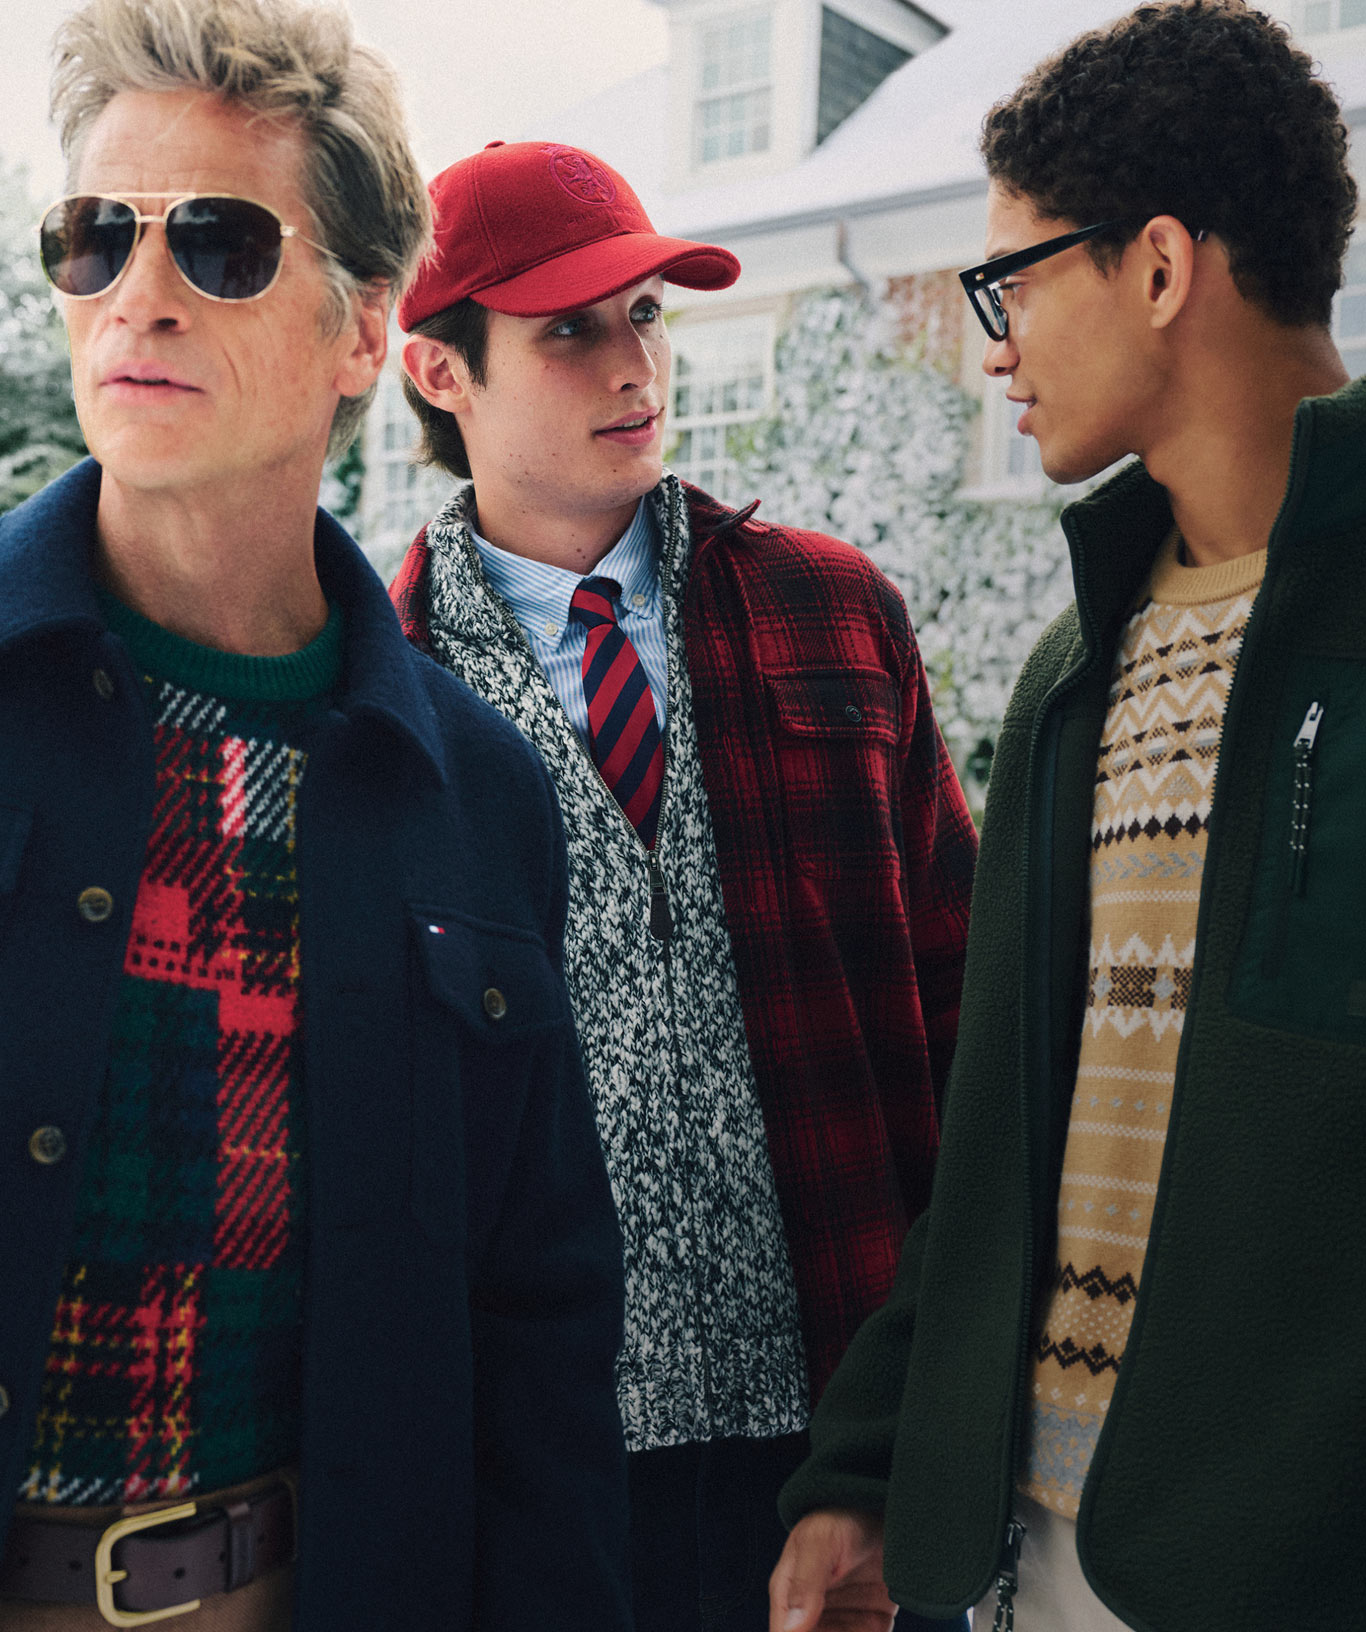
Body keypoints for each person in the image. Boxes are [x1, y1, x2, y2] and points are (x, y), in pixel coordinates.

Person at [0, 3, 631, 1629]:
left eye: (216, 241)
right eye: (94, 238)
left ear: (364, 333)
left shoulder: (477, 797)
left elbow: (539, 1323)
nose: (134, 292)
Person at [769, 2, 1364, 1629]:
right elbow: (998, 1138)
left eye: (1010, 281)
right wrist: (865, 1469)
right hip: (1028, 1553)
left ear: (1157, 268)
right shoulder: (1068, 676)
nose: (990, 344)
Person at [390, 139, 978, 1632]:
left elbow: (966, 1006)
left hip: (837, 1437)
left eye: (645, 313)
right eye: (568, 329)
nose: (632, 362)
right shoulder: (378, 695)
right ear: (438, 373)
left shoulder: (831, 610)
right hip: (535, 1460)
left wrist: (914, 1418)